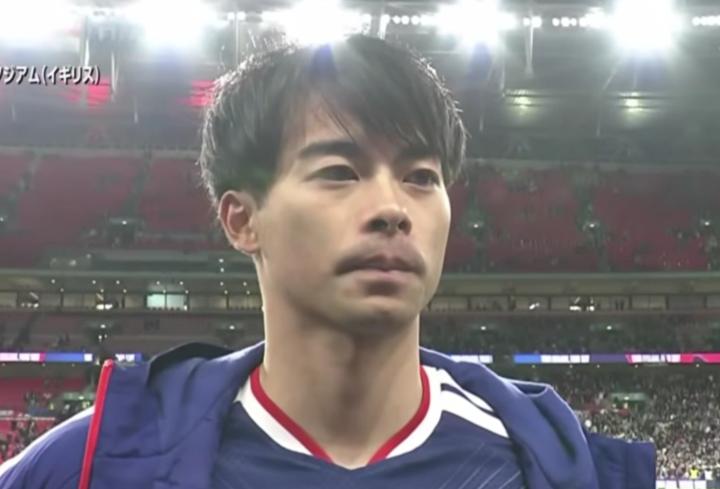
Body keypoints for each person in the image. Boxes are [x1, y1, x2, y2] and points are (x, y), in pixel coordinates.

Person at [0, 34, 655, 489]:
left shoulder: (558, 468)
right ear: (242, 220)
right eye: (340, 171)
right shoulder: (91, 465)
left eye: (421, 177)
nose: (392, 207)